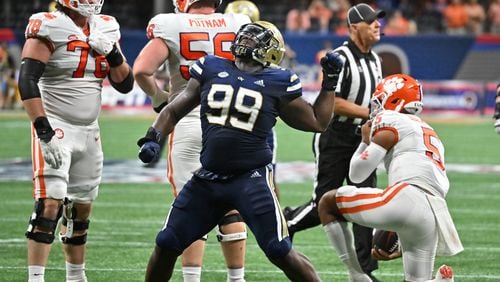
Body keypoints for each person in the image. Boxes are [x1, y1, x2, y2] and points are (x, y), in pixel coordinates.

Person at [137, 20, 344, 282]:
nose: (246, 42)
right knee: (166, 242)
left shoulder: (278, 81)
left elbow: (318, 122)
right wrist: (153, 136)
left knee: (279, 249)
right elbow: (174, 109)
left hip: (251, 179)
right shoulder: (211, 67)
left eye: (254, 39)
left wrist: (330, 84)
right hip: (208, 178)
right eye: (244, 37)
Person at [132, 1, 251, 281]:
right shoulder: (236, 23)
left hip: (189, 119)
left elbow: (141, 70)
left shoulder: (171, 24)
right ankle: (237, 279)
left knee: (192, 206)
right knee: (232, 205)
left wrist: (161, 99)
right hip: (230, 121)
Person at [18, 0, 133, 281]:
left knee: (81, 210)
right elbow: (27, 80)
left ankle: (76, 276)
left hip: (89, 129)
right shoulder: (48, 23)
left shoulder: (106, 25)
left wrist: (113, 54)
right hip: (57, 125)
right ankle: (36, 278)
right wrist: (43, 131)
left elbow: (125, 84)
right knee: (48, 205)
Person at [318, 73, 463, 281]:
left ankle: (357, 275)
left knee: (328, 203)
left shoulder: (389, 118)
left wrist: (365, 141)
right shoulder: (429, 131)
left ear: (394, 99)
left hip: (405, 198)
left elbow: (357, 173)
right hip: (434, 213)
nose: (376, 108)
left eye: (379, 101)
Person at [283, 3, 385, 280]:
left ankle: (364, 271)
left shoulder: (375, 60)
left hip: (362, 138)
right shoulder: (340, 57)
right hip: (335, 135)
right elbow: (334, 102)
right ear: (354, 28)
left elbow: (376, 99)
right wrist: (370, 112)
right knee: (325, 203)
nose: (377, 25)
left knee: (365, 200)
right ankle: (288, 222)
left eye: (378, 21)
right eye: (371, 21)